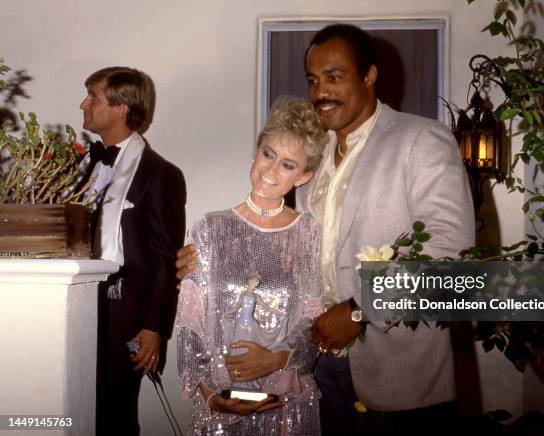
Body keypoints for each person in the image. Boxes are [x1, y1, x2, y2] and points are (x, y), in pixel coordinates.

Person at [177, 24, 474, 435]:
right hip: (319, 371)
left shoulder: (421, 139)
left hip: (400, 377)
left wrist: (358, 309)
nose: (321, 92)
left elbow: (451, 253)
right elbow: (295, 260)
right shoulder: (314, 165)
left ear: (369, 76)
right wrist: (210, 263)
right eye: (313, 80)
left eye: (334, 77)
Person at [176, 96, 328, 435]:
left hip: (286, 405)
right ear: (255, 153)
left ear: (303, 177)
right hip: (219, 404)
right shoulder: (209, 229)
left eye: (288, 165)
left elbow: (313, 320)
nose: (271, 171)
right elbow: (191, 324)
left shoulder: (309, 233)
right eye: (268, 154)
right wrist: (209, 394)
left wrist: (281, 358)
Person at [78, 66, 186, 435]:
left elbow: (163, 257)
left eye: (93, 96)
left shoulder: (160, 174)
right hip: (76, 303)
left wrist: (154, 327)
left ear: (121, 107)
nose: (84, 104)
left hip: (124, 310)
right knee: (74, 403)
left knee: (115, 412)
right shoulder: (80, 165)